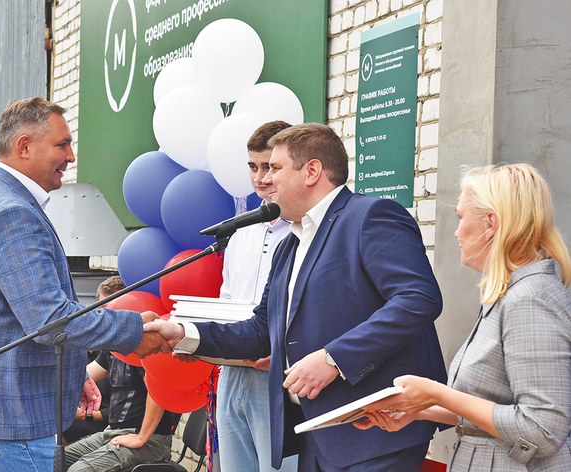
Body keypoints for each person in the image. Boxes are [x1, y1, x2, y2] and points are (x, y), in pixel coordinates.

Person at [148, 123, 447, 471]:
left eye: (275, 168)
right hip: (314, 435)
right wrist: (185, 334)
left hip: (376, 431)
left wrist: (333, 358)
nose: (266, 179)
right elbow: (262, 331)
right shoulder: (290, 244)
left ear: (312, 171)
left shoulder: (371, 216)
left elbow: (418, 298)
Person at [0, 97, 169, 471]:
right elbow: (51, 319)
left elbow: (3, 316)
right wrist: (133, 331)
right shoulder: (11, 212)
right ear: (24, 147)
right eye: (62, 145)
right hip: (8, 424)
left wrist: (71, 371)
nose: (71, 156)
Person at [355, 163, 571, 471]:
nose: (456, 232)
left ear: (490, 223)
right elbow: (496, 410)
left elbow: (541, 429)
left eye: (460, 217)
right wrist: (420, 410)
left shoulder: (530, 298)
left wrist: (435, 393)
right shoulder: (514, 293)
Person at [215, 121, 298, 472]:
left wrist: (278, 350)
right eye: (253, 167)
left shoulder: (304, 231)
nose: (261, 177)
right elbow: (227, 300)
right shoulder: (240, 232)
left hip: (280, 374)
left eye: (270, 167)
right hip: (233, 373)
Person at [65, 351, 181, 471]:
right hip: (112, 434)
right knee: (56, 460)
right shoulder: (113, 350)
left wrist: (140, 438)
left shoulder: (143, 350)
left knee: (78, 470)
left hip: (150, 442)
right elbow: (81, 376)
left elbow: (157, 392)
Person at [63, 276, 127, 444]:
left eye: (109, 308)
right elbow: (76, 378)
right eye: (100, 308)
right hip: (85, 414)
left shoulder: (122, 353)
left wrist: (83, 415)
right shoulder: (97, 351)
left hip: (104, 424)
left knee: (60, 429)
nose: (102, 316)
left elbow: (121, 411)